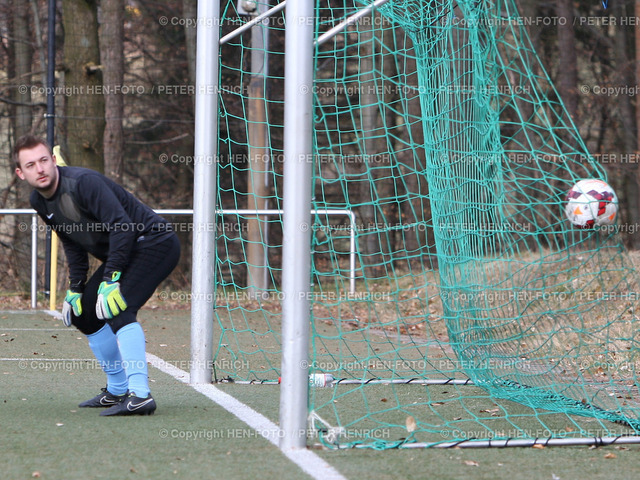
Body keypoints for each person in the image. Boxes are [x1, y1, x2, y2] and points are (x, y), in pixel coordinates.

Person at [13, 135, 180, 416]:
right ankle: (117, 390)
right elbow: (71, 240)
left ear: (54, 161)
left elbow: (123, 227)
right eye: (30, 165)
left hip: (154, 243)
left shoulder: (83, 183)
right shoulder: (37, 200)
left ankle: (140, 396)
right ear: (21, 173)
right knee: (84, 314)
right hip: (126, 250)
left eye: (43, 160)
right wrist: (76, 287)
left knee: (117, 308)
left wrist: (111, 278)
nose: (39, 169)